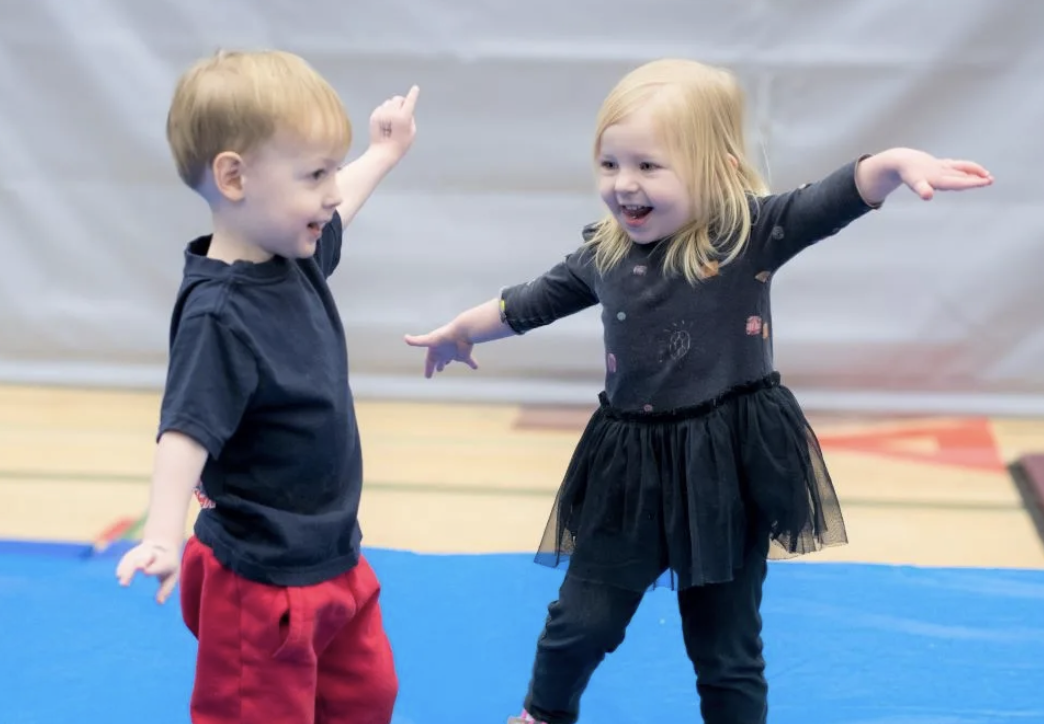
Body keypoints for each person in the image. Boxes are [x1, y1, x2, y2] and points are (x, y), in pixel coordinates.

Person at [403, 58, 992, 723]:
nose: (624, 183)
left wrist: (892, 164)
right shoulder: (604, 254)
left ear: (716, 169)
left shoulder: (749, 237)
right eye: (609, 163)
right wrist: (462, 330)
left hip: (726, 463)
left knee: (725, 644)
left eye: (648, 166)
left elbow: (832, 198)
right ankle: (542, 714)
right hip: (629, 464)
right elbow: (528, 302)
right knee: (582, 620)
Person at [114, 49, 419, 724]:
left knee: (365, 697)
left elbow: (344, 206)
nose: (333, 193)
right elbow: (184, 430)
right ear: (234, 177)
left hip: (333, 554)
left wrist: (382, 153)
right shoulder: (219, 316)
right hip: (259, 580)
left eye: (332, 170)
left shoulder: (292, 256)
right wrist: (163, 534)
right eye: (314, 174)